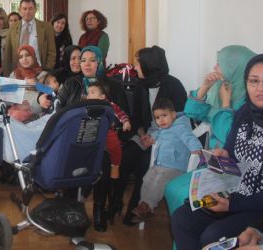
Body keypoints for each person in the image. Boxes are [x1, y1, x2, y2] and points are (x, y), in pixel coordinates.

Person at [171, 54, 263, 249]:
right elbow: (230, 150)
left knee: (214, 236)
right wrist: (224, 156)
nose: (261, 88)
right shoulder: (244, 112)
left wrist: (234, 205)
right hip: (234, 193)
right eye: (253, 81)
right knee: (182, 218)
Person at [37, 45, 129, 231]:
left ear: (100, 62)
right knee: (68, 158)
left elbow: (122, 114)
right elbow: (56, 104)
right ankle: (69, 206)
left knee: (102, 161)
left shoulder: (113, 86)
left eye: (92, 60)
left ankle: (98, 208)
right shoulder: (72, 83)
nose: (86, 64)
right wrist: (41, 98)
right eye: (83, 60)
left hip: (102, 139)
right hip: (72, 138)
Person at [164, 45, 256, 216]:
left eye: (219, 64)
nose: (215, 68)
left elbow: (229, 137)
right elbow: (193, 113)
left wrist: (226, 105)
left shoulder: (250, 102)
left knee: (185, 199)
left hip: (233, 169)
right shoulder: (224, 87)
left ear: (235, 68)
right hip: (213, 163)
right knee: (172, 189)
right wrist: (205, 87)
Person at [113, 45, 188, 225]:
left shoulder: (173, 85)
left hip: (169, 140)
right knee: (125, 157)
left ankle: (136, 210)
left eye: (138, 64)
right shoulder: (141, 86)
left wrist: (155, 139)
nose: (135, 67)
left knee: (144, 164)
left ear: (149, 64)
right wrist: (142, 134)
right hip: (148, 135)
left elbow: (179, 119)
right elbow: (138, 118)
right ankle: (114, 204)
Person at [132, 98, 202, 223]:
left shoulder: (180, 127)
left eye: (164, 116)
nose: (161, 120)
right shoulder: (163, 128)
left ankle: (146, 206)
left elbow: (190, 138)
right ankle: (145, 206)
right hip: (159, 165)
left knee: (158, 182)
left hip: (175, 168)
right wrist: (151, 138)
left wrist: (196, 149)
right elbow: (157, 134)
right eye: (157, 118)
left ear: (173, 115)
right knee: (147, 179)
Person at [85, 81, 132, 179]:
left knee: (115, 146)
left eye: (92, 92)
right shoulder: (86, 106)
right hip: (92, 131)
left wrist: (126, 122)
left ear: (102, 97)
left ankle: (115, 166)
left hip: (108, 131)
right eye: (88, 93)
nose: (88, 95)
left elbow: (120, 113)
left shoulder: (109, 105)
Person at [3, 0, 56, 76]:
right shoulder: (13, 28)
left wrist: (47, 72)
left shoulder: (46, 27)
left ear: (35, 10)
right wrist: (7, 75)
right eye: (24, 9)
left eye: (30, 8)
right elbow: (8, 54)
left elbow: (52, 52)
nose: (27, 12)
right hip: (18, 73)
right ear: (19, 10)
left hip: (40, 72)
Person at [8, 45, 48, 122]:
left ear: (33, 56)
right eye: (21, 57)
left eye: (27, 55)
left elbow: (49, 93)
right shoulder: (14, 75)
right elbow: (8, 99)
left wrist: (36, 85)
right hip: (16, 114)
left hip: (37, 116)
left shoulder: (43, 75)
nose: (24, 59)